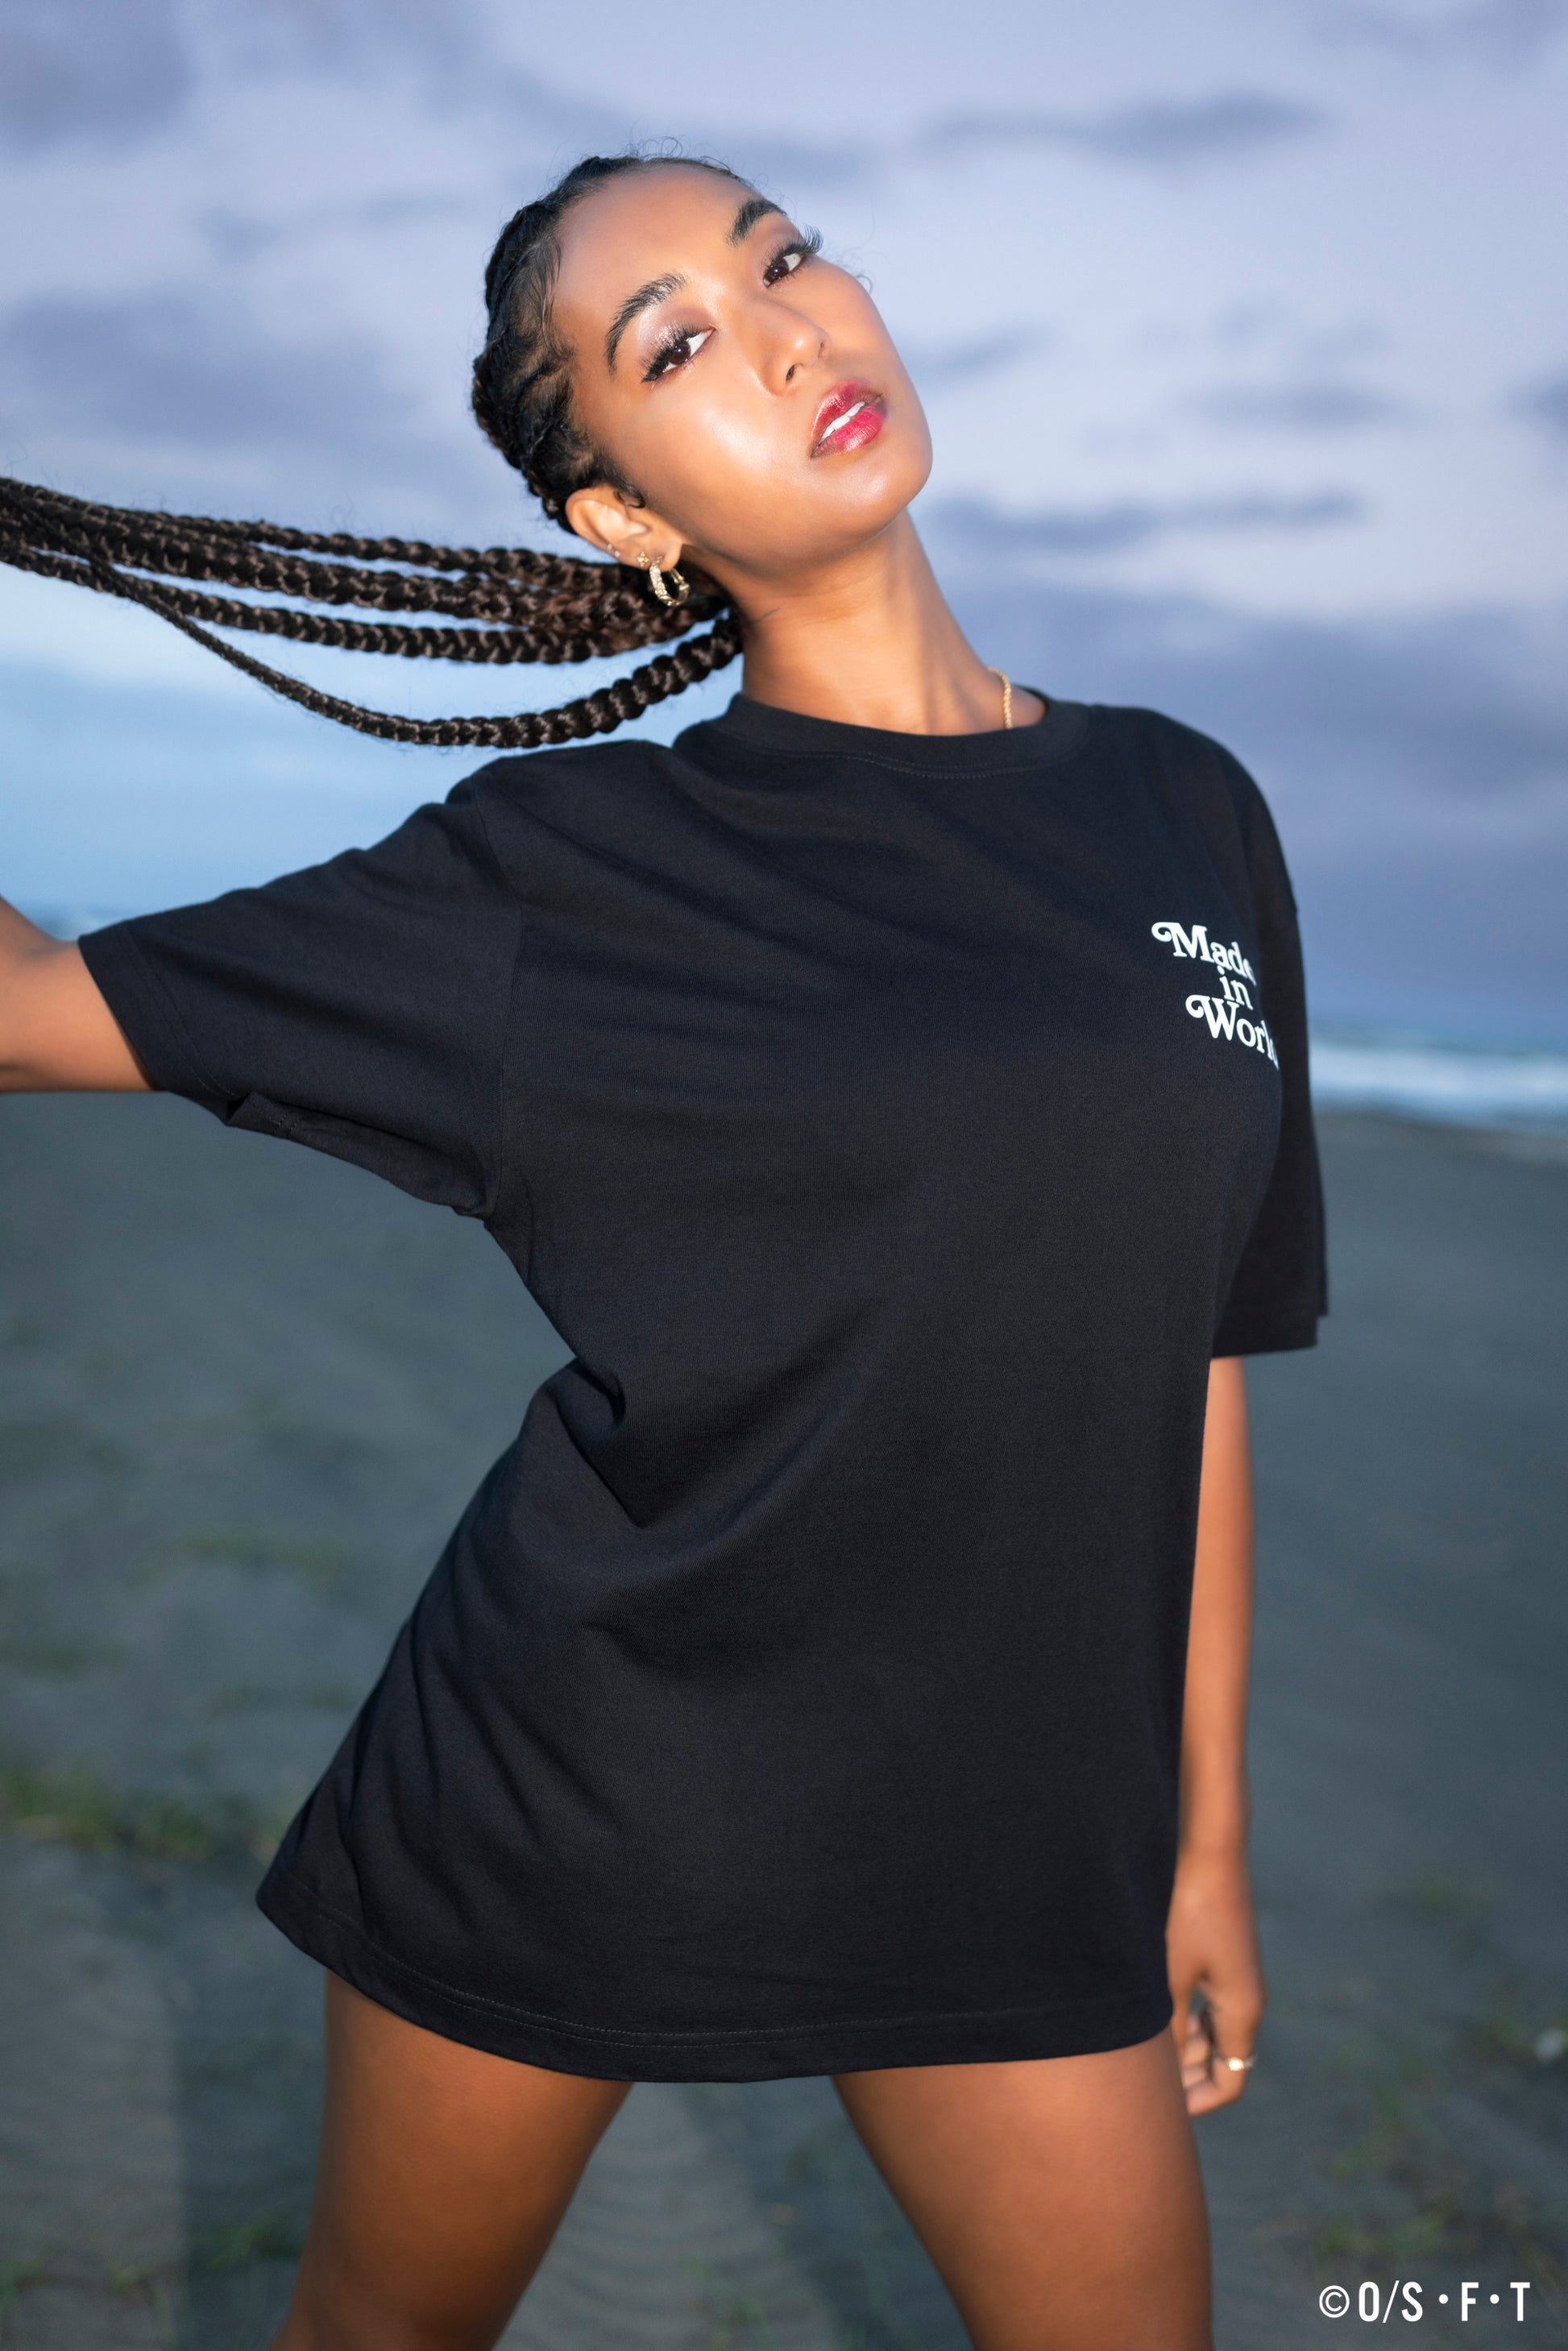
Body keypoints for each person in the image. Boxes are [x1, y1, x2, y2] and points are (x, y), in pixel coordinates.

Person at [0, 150, 1325, 2351]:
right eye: (682, 341)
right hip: (593, 1791)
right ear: (623, 515)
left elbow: (1196, 1360)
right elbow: (30, 1016)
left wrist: (1201, 1842)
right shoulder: (569, 878)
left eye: (781, 256)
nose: (792, 333)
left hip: (1003, 1836)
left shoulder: (1185, 808)